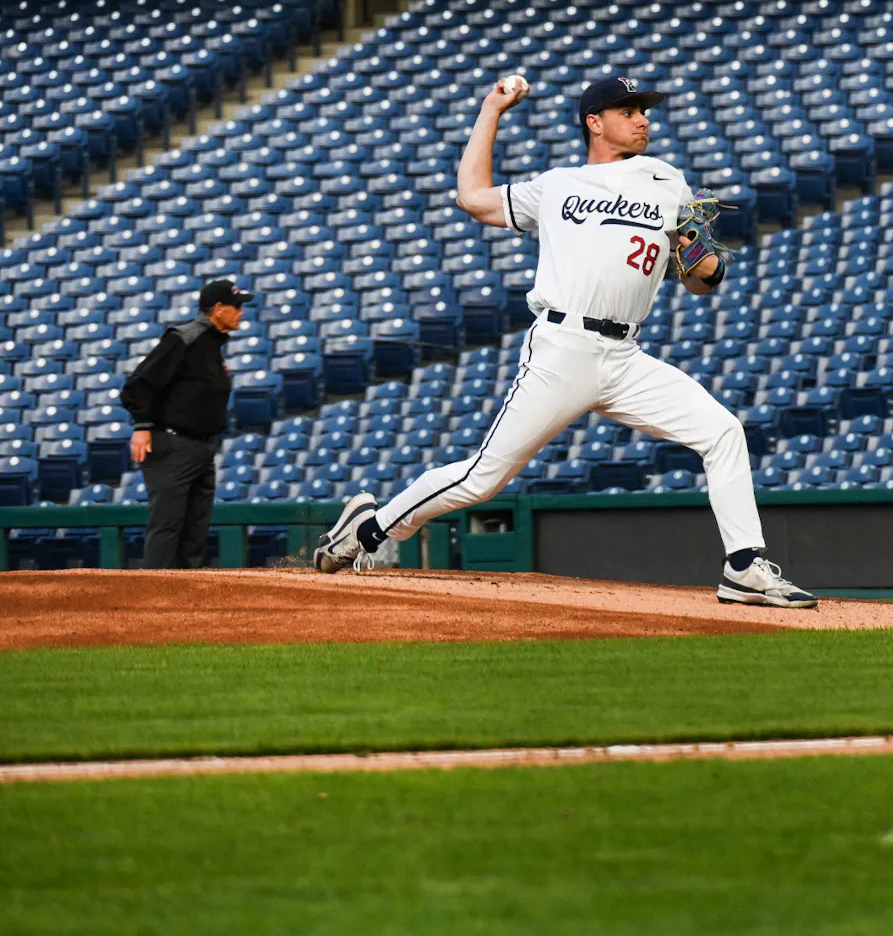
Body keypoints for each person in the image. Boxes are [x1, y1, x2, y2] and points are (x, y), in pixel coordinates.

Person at [313, 74, 817, 609]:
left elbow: (698, 280)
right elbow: (472, 198)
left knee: (722, 431)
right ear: (594, 123)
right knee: (483, 480)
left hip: (626, 358)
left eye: (644, 110)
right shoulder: (558, 185)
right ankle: (370, 529)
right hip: (563, 348)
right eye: (628, 111)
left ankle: (743, 567)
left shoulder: (669, 183)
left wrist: (703, 260)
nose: (643, 118)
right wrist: (491, 110)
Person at [120, 279, 253, 569]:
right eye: (237, 306)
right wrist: (142, 426)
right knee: (168, 526)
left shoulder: (212, 344)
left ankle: (184, 601)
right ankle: (154, 597)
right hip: (173, 444)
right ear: (218, 309)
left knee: (195, 528)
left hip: (201, 447)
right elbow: (138, 384)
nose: (242, 312)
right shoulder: (185, 337)